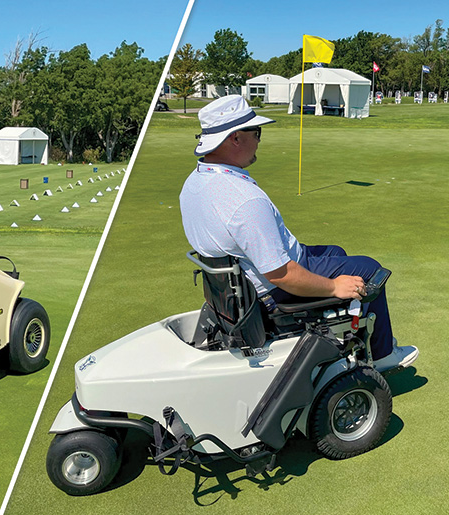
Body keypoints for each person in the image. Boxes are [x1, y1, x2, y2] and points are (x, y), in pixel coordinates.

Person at [179, 95, 417, 372]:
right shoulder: (244, 201)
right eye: (256, 133)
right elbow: (282, 276)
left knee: (336, 252)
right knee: (369, 269)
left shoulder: (194, 181)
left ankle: (353, 331)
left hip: (241, 284)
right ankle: (383, 352)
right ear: (235, 138)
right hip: (272, 291)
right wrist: (334, 287)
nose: (259, 140)